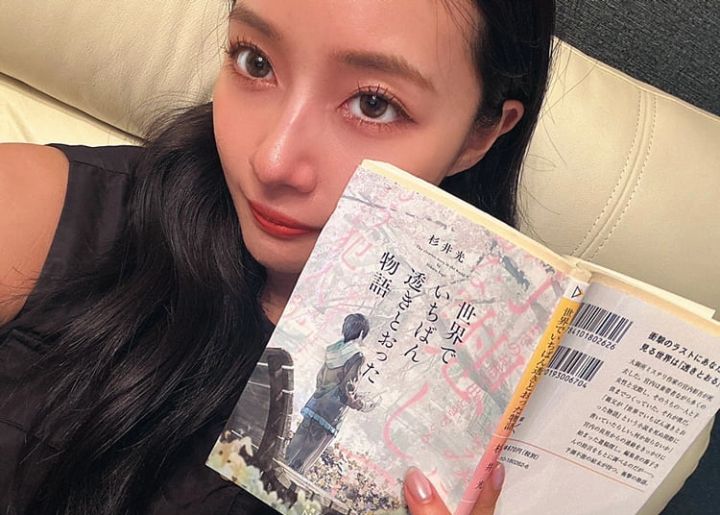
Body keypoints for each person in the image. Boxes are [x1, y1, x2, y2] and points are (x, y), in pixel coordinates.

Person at [0, 0, 554, 513]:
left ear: (480, 135)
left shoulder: (506, 419)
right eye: (256, 62)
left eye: (374, 104)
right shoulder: (34, 208)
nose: (272, 162)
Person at [285, 313, 376, 474]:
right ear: (361, 333)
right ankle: (293, 472)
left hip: (316, 401)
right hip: (331, 411)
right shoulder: (357, 356)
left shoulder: (333, 349)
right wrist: (360, 404)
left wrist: (322, 391)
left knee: (299, 437)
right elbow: (348, 387)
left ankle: (283, 462)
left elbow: (320, 377)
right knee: (310, 448)